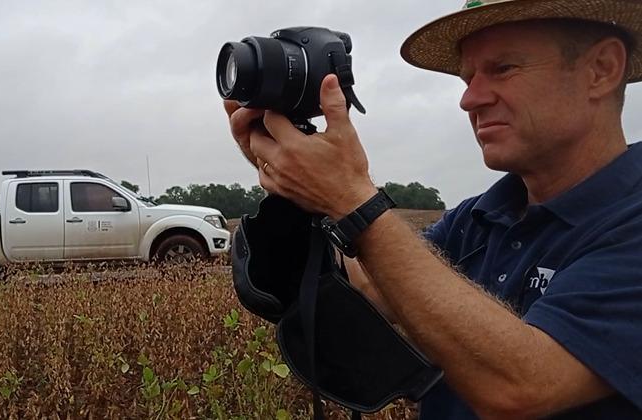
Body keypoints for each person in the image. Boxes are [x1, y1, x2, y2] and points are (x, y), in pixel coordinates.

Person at [223, 0, 642, 418]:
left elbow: (522, 386)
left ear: (601, 69)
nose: (470, 99)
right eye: (468, 78)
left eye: (503, 69)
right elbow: (376, 287)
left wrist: (354, 200)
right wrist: (293, 182)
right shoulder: (479, 218)